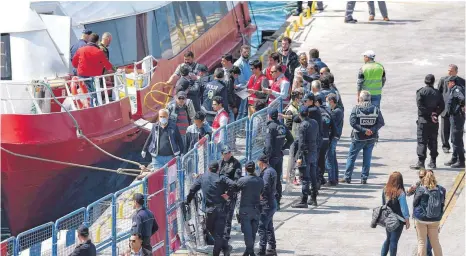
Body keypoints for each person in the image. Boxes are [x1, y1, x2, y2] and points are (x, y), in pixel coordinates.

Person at [186, 162, 235, 256]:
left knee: (213, 231)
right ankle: (225, 247)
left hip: (210, 210)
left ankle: (219, 251)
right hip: (220, 209)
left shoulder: (202, 177)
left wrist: (188, 200)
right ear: (218, 169)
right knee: (218, 234)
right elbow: (233, 185)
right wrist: (228, 194)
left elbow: (192, 189)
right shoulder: (221, 177)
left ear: (208, 169)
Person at [341, 90, 384, 184]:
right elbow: (381, 122)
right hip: (371, 138)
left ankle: (347, 177)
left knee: (351, 157)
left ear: (361, 98)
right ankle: (364, 178)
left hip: (358, 138)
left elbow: (352, 122)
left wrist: (364, 130)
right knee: (367, 158)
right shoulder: (376, 109)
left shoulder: (356, 109)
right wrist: (371, 130)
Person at [410, 74, 445, 170]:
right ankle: (433, 162)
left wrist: (429, 114)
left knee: (422, 141)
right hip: (434, 121)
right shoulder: (437, 93)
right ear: (433, 82)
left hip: (423, 120)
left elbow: (420, 106)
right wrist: (434, 114)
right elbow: (442, 106)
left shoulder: (421, 92)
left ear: (425, 81)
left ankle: (421, 162)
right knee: (433, 141)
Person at [72, 33, 114, 107]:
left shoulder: (80, 50)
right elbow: (107, 66)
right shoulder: (99, 51)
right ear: (97, 41)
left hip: (82, 76)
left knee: (86, 92)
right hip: (94, 77)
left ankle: (85, 106)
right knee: (94, 93)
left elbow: (74, 64)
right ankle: (94, 106)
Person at [264, 108, 294, 206]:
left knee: (270, 179)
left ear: (269, 116)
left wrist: (266, 157)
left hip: (271, 157)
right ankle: (278, 200)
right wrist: (283, 148)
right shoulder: (282, 126)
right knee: (277, 179)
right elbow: (291, 139)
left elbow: (268, 145)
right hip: (279, 155)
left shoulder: (270, 127)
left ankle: (271, 201)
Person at [292, 106, 319, 208]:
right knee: (313, 176)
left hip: (305, 154)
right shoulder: (314, 123)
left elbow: (301, 143)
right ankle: (314, 197)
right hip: (313, 151)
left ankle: (304, 200)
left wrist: (299, 157)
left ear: (300, 114)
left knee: (305, 177)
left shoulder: (303, 126)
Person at [413, 171, 445, 256]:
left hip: (421, 219)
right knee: (435, 242)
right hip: (435, 219)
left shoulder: (421, 189)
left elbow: (414, 203)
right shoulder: (441, 189)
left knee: (422, 242)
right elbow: (442, 203)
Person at [236, 161, 264, 256]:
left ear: (246, 169)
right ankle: (248, 252)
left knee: (247, 233)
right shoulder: (260, 180)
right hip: (256, 210)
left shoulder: (243, 180)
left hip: (245, 210)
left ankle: (250, 252)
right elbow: (261, 193)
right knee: (253, 232)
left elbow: (235, 189)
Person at [381, 172, 410, 256]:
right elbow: (404, 209)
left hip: (388, 219)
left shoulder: (385, 189)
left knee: (388, 239)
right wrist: (407, 221)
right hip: (398, 220)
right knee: (394, 241)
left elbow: (383, 204)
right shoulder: (400, 192)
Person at [437, 64, 465, 153]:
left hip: (457, 110)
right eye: (448, 70)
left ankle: (458, 146)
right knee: (445, 129)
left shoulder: (462, 81)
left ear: (456, 72)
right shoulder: (443, 80)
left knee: (457, 130)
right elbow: (438, 93)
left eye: (451, 71)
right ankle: (445, 146)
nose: (449, 72)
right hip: (445, 109)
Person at [218, 146, 242, 243]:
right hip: (219, 194)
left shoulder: (236, 164)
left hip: (230, 194)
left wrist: (229, 194)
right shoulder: (220, 163)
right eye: (225, 153)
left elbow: (236, 182)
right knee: (219, 217)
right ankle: (219, 237)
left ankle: (225, 239)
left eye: (229, 152)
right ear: (222, 154)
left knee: (228, 217)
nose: (227, 154)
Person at [407, 170, 433, 256]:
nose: (421, 178)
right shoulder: (418, 184)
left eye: (423, 176)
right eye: (420, 177)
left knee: (428, 244)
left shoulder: (433, 186)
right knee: (422, 241)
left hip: (430, 217)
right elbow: (408, 194)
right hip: (419, 217)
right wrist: (411, 189)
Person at [257, 155, 278, 256]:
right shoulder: (272, 170)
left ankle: (262, 250)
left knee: (262, 227)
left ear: (261, 162)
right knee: (269, 226)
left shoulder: (266, 172)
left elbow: (265, 185)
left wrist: (260, 194)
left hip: (266, 204)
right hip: (272, 202)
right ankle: (272, 248)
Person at [315, 95, 336, 186]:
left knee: (316, 160)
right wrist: (329, 139)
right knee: (322, 159)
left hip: (318, 140)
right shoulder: (328, 112)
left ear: (317, 103)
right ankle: (321, 177)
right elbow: (334, 129)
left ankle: (318, 178)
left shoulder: (315, 113)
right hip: (326, 140)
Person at [445, 76, 465, 168]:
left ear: (452, 82)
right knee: (454, 139)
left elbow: (462, 98)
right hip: (454, 117)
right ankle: (454, 158)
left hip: (457, 118)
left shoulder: (456, 89)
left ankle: (461, 161)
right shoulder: (454, 89)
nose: (447, 84)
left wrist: (460, 108)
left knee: (457, 139)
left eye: (448, 82)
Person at [325, 93, 343, 186]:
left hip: (333, 137)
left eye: (327, 101)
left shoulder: (335, 112)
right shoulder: (337, 110)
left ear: (331, 101)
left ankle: (332, 179)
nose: (327, 103)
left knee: (330, 158)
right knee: (333, 158)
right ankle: (334, 178)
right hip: (335, 136)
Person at [234, 45, 252, 120]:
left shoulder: (248, 62)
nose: (247, 53)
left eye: (248, 52)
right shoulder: (238, 64)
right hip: (241, 89)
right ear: (241, 52)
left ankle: (242, 128)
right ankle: (237, 129)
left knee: (245, 111)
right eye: (245, 52)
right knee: (241, 111)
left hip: (247, 88)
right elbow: (242, 81)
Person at [222, 54, 238, 123]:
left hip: (235, 98)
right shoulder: (221, 71)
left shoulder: (235, 70)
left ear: (229, 62)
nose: (221, 62)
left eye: (223, 61)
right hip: (226, 102)